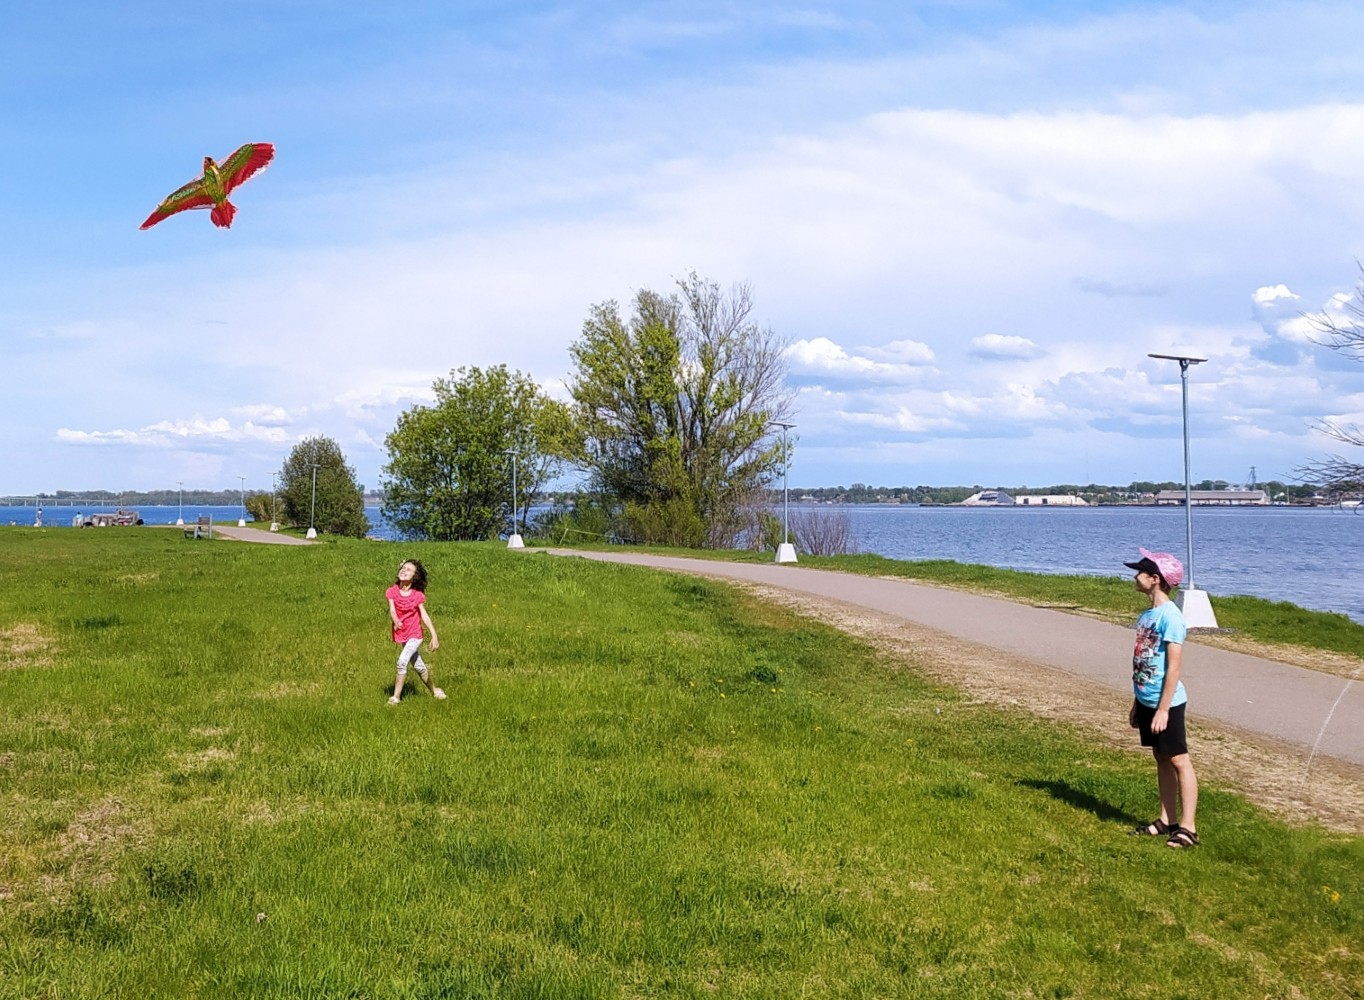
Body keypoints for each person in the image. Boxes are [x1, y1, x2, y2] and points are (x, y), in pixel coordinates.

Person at [1124, 547, 1199, 848]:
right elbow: (1144, 662)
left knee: (1179, 759)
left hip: (1166, 704)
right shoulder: (1147, 616)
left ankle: (1188, 828)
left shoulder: (1171, 617)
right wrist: (1136, 703)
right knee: (1161, 757)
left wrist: (1164, 709)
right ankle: (1166, 819)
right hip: (1147, 700)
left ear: (1155, 579)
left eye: (1140, 572)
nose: (1135, 576)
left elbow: (1174, 667)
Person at [385, 559, 446, 705]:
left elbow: (424, 616)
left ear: (414, 576)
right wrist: (396, 621)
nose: (404, 571)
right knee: (418, 666)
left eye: (408, 570)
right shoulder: (392, 591)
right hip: (402, 633)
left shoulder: (416, 595)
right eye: (403, 568)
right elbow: (392, 610)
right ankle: (434, 691)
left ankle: (395, 698)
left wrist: (434, 636)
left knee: (402, 662)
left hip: (415, 635)